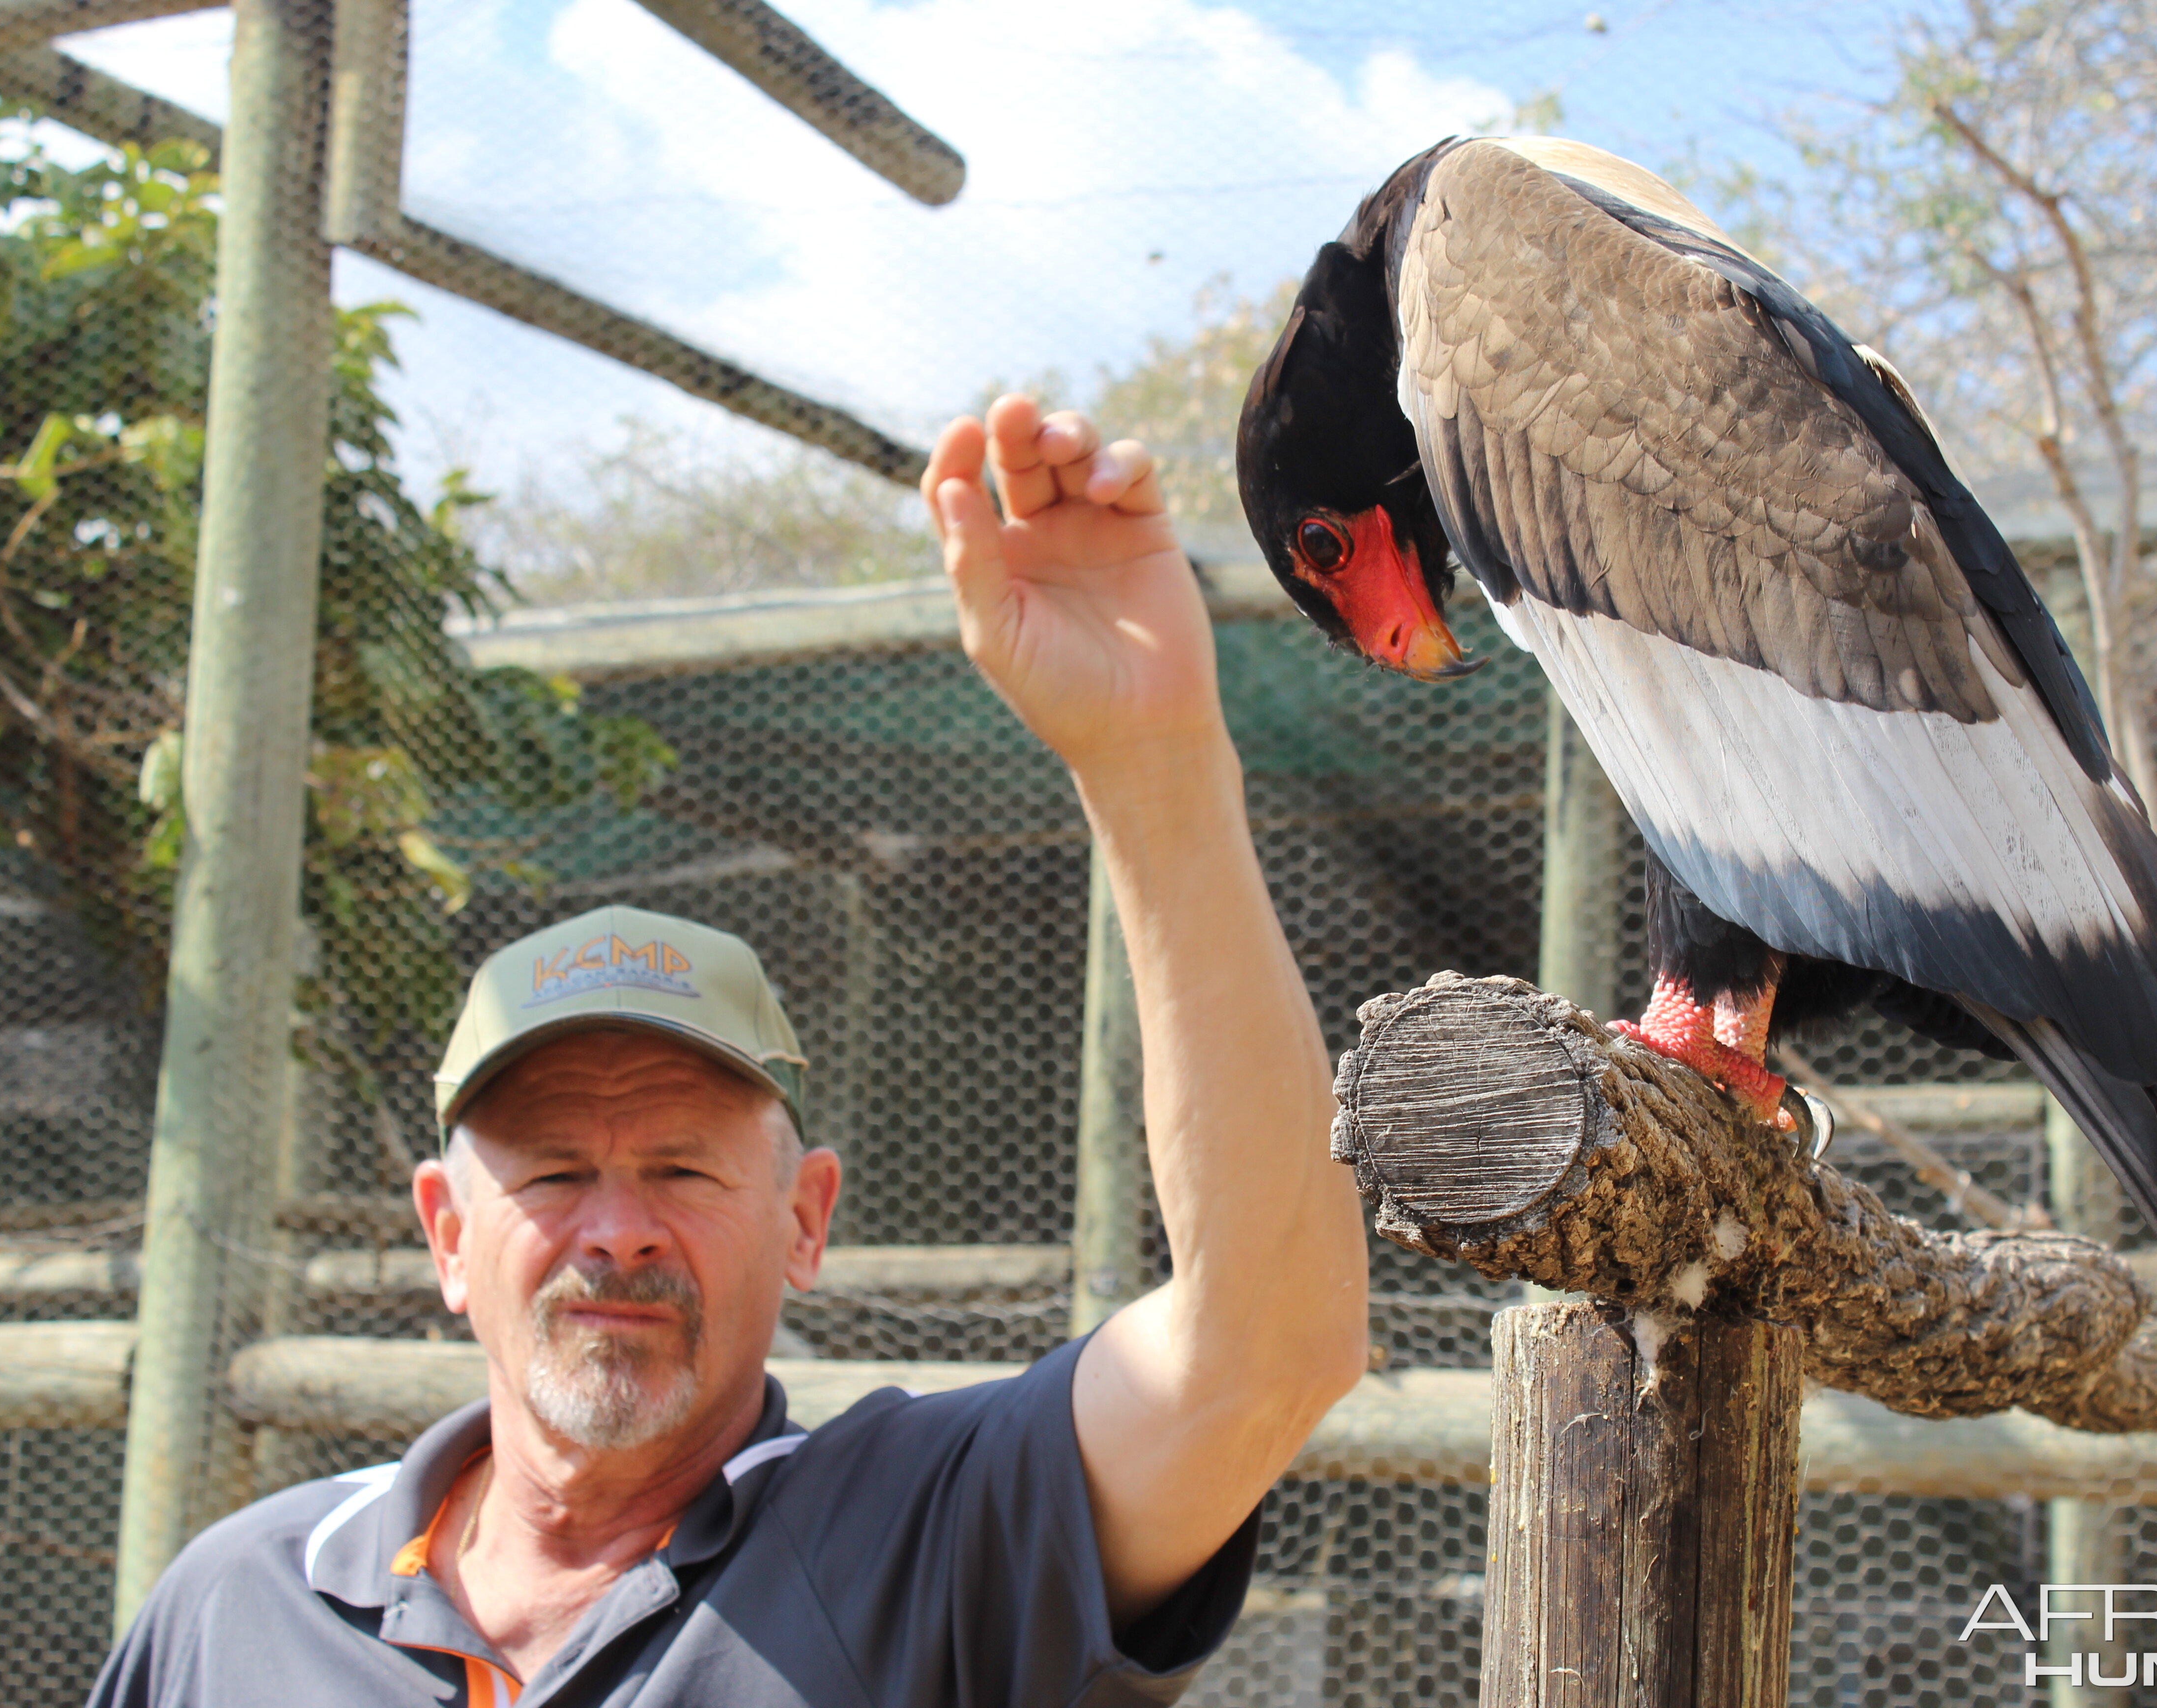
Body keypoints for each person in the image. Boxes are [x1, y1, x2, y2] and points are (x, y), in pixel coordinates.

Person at [86, 397, 1372, 1706]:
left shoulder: (927, 1544)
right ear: (444, 1237)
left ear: (807, 1219)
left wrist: (1151, 759)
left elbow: (1266, 1348)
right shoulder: (239, 1601)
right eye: (550, 1173)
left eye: (687, 1173)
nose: (620, 1230)